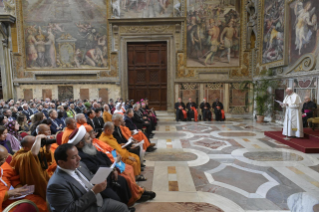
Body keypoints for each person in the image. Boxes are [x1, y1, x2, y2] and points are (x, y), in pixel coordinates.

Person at [47, 144, 130, 212]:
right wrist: (93, 192)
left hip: (98, 202)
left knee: (122, 207)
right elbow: (69, 210)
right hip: (86, 209)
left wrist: (101, 178)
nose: (79, 158)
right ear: (61, 163)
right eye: (73, 157)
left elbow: (91, 177)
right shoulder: (56, 184)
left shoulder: (80, 165)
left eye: (78, 155)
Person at [68, 126, 132, 206]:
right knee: (116, 199)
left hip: (107, 175)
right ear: (81, 143)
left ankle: (126, 206)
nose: (91, 139)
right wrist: (110, 169)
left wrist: (113, 169)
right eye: (88, 138)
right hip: (98, 183)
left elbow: (103, 155)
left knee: (123, 181)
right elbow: (96, 169)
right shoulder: (81, 156)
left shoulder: (89, 148)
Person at [0, 145, 48, 212]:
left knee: (40, 202)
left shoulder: (3, 165)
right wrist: (7, 194)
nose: (4, 161)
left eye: (5, 158)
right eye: (2, 159)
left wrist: (18, 186)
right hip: (4, 203)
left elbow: (13, 177)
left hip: (14, 195)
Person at [10, 131, 52, 200]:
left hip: (43, 178)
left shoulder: (34, 151)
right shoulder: (20, 157)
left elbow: (47, 161)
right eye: (35, 144)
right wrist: (38, 138)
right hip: (31, 186)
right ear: (25, 148)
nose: (38, 145)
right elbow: (34, 153)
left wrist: (47, 149)